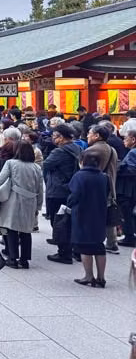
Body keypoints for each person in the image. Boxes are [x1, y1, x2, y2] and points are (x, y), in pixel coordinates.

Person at [0, 141, 44, 269]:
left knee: (11, 228)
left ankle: (12, 258)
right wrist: (38, 206)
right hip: (31, 200)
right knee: (26, 231)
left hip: (14, 198)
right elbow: (40, 188)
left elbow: (0, 179)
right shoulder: (36, 167)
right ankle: (24, 259)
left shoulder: (11, 163)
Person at [68, 147, 109, 287]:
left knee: (84, 246)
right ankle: (101, 278)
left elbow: (74, 196)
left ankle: (89, 276)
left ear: (82, 161)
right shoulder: (104, 177)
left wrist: (69, 203)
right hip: (100, 214)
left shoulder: (79, 176)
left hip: (82, 214)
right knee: (99, 245)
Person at [43, 123, 82, 264]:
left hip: (57, 190)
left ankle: (63, 252)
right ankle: (72, 249)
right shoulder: (77, 148)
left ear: (61, 137)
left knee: (58, 220)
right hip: (71, 188)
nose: (53, 139)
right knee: (69, 219)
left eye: (54, 136)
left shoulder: (59, 152)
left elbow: (46, 164)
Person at [86, 124, 120, 254]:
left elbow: (84, 171)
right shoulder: (112, 149)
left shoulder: (92, 151)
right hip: (109, 186)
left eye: (90, 133)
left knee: (95, 214)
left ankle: (94, 241)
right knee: (108, 213)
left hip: (96, 188)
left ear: (97, 136)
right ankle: (112, 242)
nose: (88, 135)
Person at [117, 130, 136, 247]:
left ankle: (129, 236)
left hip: (129, 188)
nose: (124, 141)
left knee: (126, 211)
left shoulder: (133, 153)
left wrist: (119, 167)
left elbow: (132, 170)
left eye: (126, 138)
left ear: (133, 140)